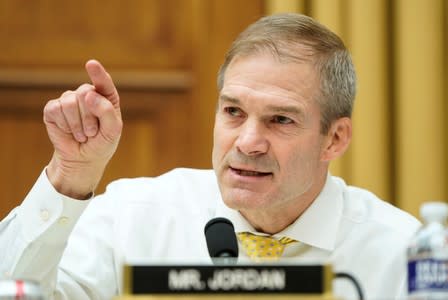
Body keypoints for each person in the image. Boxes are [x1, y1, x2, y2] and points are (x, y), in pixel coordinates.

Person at [0, 13, 420, 299]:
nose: (248, 142)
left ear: (335, 139)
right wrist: (69, 174)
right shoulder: (133, 216)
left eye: (281, 120)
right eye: (233, 112)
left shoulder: (403, 253)